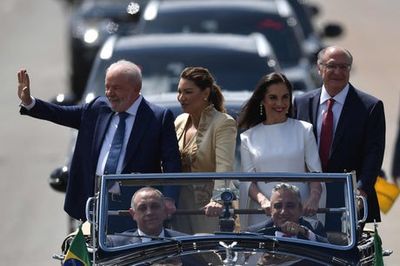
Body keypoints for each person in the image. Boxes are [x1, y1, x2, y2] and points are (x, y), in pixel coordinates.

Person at [17, 60, 181, 221]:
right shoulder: (97, 108)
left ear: (136, 89)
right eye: (107, 87)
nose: (110, 93)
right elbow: (61, 113)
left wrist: (169, 198)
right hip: (93, 207)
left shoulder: (157, 118)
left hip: (137, 211)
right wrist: (29, 102)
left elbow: (171, 163)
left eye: (116, 88)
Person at [293, 46, 385, 231]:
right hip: (308, 198)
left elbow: (373, 154)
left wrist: (361, 191)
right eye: (332, 66)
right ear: (319, 69)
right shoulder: (301, 103)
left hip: (347, 199)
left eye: (344, 67)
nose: (338, 72)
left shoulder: (369, 107)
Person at [238, 72, 323, 227]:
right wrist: (264, 202)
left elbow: (316, 174)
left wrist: (314, 198)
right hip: (263, 215)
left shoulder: (304, 130)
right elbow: (248, 182)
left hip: (299, 213)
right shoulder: (248, 137)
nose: (280, 103)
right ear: (262, 100)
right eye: (273, 98)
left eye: (285, 97)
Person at [172, 66, 237, 234]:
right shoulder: (179, 121)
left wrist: (218, 200)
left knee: (208, 255)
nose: (181, 98)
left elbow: (225, 165)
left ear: (205, 93)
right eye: (179, 92)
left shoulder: (223, 122)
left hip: (208, 206)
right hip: (178, 204)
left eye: (188, 92)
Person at [247, 183, 328, 243]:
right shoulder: (256, 232)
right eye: (278, 206)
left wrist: (305, 232)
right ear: (271, 210)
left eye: (290, 206)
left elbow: (328, 250)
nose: (283, 212)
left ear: (300, 209)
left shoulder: (313, 227)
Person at [107, 187, 186, 247]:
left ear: (165, 211)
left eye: (155, 206)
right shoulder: (116, 245)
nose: (149, 212)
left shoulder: (184, 242)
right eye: (142, 208)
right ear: (133, 214)